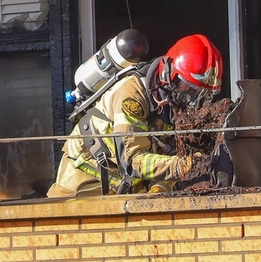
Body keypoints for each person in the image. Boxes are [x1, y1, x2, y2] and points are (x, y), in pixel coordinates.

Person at [47, 34, 223, 198]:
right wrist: (183, 166)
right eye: (189, 89)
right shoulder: (132, 94)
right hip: (84, 177)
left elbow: (168, 156)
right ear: (168, 74)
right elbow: (132, 161)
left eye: (202, 95)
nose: (192, 100)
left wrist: (161, 187)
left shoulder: (173, 106)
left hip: (124, 182)